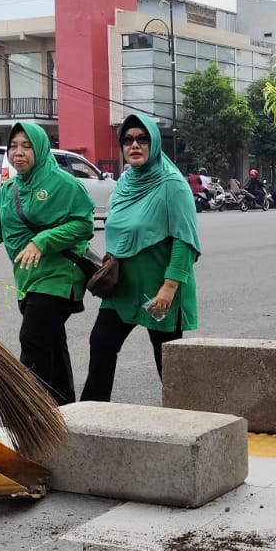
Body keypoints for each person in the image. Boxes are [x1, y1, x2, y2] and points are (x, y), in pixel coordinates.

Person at [0, 123, 95, 404]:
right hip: (28, 280)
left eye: (26, 146)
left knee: (34, 341)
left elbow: (84, 224)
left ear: (39, 148)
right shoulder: (10, 188)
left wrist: (43, 241)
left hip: (59, 277)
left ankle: (34, 411)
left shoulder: (63, 184)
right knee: (51, 343)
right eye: (13, 146)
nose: (18, 153)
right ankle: (64, 409)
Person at [81, 116, 202, 400]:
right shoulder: (124, 183)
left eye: (142, 139)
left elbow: (184, 240)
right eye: (127, 139)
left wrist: (169, 288)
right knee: (101, 343)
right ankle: (91, 416)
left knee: (168, 365)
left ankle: (186, 423)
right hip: (123, 286)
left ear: (154, 143)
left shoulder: (173, 185)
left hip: (159, 287)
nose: (134, 144)